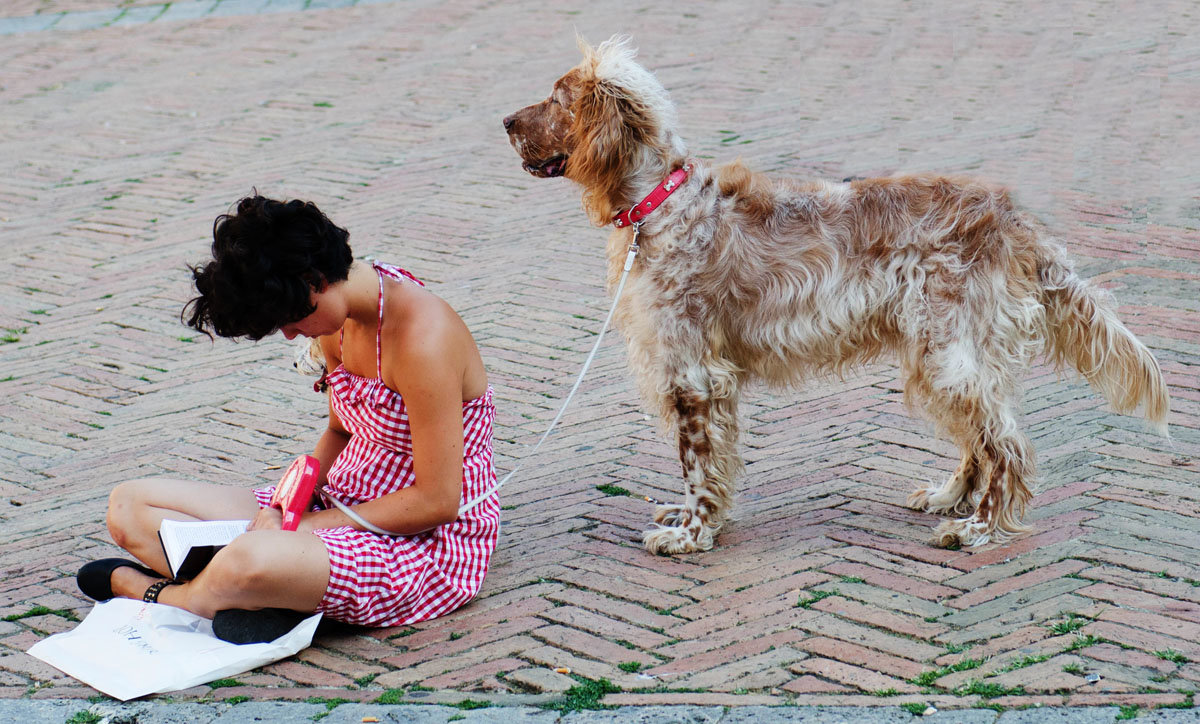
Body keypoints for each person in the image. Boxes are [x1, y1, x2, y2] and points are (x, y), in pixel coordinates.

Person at [76, 195, 499, 642]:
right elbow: (340, 428)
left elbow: (436, 502)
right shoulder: (342, 317)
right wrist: (288, 503)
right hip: (335, 502)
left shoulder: (422, 339)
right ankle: (267, 594)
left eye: (293, 319)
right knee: (129, 506)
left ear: (315, 280)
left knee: (253, 556)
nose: (291, 334)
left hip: (418, 541)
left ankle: (158, 592)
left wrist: (294, 529)